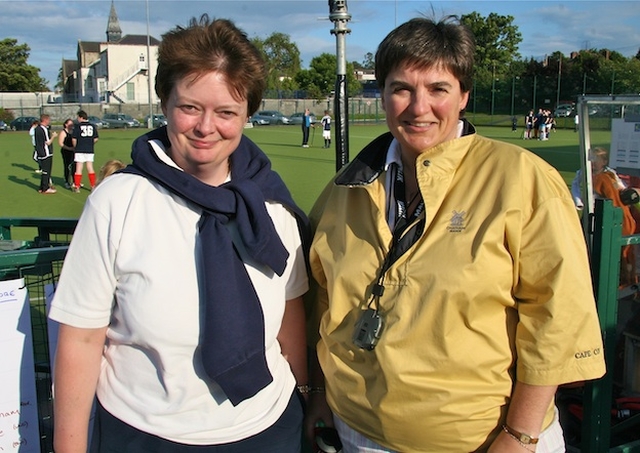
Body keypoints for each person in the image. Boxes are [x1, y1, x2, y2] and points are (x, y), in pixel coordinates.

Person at [305, 16, 605, 453]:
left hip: (483, 440)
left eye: (438, 89)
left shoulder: (521, 178)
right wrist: (318, 397)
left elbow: (557, 317)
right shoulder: (345, 190)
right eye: (401, 88)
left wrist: (521, 435)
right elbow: (322, 302)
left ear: (463, 96)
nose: (418, 106)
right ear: (383, 95)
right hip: (357, 432)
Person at [49, 15, 309, 453]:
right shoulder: (118, 201)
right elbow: (81, 336)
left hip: (268, 427)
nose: (206, 127)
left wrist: (308, 396)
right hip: (146, 433)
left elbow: (291, 310)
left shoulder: (270, 203)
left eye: (226, 112)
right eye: (190, 107)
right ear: (165, 102)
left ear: (247, 114)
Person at [591, 147, 637, 285]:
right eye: (591, 159)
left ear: (604, 161)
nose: (592, 162)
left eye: (595, 159)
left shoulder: (608, 176)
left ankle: (624, 281)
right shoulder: (586, 174)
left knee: (624, 254)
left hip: (616, 218)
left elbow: (619, 191)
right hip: (610, 217)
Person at [71, 109, 99, 192]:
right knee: (90, 167)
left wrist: (75, 146)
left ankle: (77, 186)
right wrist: (90, 144)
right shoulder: (92, 126)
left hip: (79, 149)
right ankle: (93, 186)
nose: (77, 119)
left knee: (79, 168)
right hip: (89, 149)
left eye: (78, 117)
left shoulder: (78, 126)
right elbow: (96, 138)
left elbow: (74, 139)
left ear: (81, 117)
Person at [34, 114, 57, 194]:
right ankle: (45, 188)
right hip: (46, 153)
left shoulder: (37, 128)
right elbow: (48, 142)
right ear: (45, 120)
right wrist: (54, 136)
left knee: (44, 171)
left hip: (40, 153)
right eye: (48, 120)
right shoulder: (44, 129)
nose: (49, 121)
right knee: (47, 171)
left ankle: (41, 187)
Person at [58, 118, 76, 189]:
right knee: (67, 166)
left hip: (73, 151)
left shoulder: (74, 131)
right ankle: (66, 181)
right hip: (66, 152)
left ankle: (75, 181)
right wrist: (69, 148)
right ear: (66, 124)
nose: (71, 125)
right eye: (70, 124)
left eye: (72, 124)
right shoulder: (63, 132)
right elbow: (60, 143)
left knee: (75, 166)